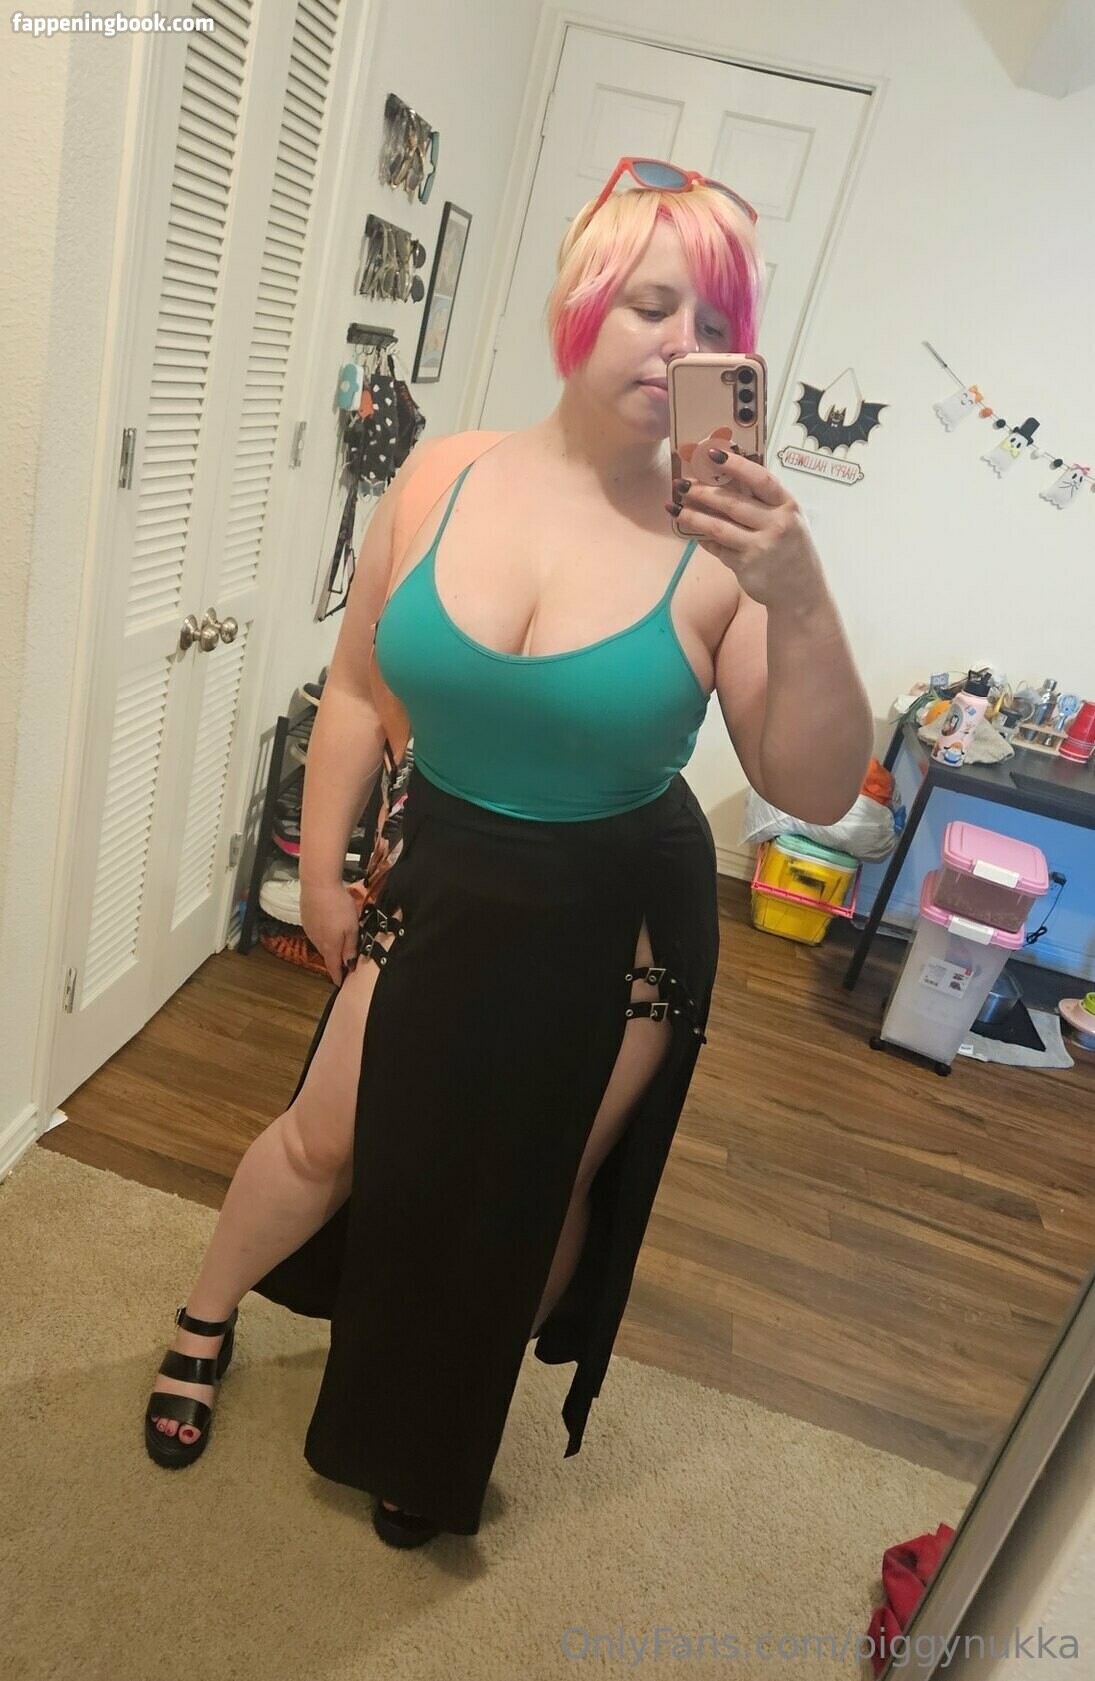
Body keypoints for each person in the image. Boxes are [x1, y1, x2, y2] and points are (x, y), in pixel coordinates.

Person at [143, 159, 873, 1548]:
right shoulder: (442, 473)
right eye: (652, 303)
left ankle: (436, 1426)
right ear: (580, 302)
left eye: (717, 321)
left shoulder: (727, 550)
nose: (683, 341)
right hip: (441, 872)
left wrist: (802, 594)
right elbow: (355, 684)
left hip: (615, 922)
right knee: (327, 1133)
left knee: (524, 1191)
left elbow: (814, 783)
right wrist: (322, 870)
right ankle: (204, 1316)